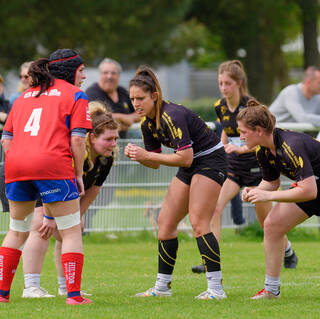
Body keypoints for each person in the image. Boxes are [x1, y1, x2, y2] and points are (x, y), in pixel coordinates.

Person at [125, 65, 228, 300]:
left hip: (211, 160)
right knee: (165, 223)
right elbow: (154, 162)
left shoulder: (171, 115)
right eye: (132, 99)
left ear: (154, 96)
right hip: (190, 165)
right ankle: (162, 287)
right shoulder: (147, 124)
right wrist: (138, 156)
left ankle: (216, 289)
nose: (136, 104)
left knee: (199, 222)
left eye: (140, 98)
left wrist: (147, 155)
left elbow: (185, 157)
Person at [0, 48, 92, 305]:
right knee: (71, 230)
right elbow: (77, 140)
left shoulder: (23, 97)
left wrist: (21, 161)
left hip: (16, 166)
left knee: (17, 230)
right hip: (52, 165)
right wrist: (77, 174)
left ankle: (2, 293)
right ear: (72, 70)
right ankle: (74, 296)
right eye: (82, 70)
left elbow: (6, 140)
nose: (84, 76)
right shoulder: (76, 95)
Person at [191, 60, 297, 274]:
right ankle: (210, 259)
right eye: (220, 83)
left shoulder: (252, 106)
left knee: (265, 220)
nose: (223, 87)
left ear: (239, 83)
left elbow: (264, 139)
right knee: (215, 207)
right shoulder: (219, 106)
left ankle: (288, 250)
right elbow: (226, 133)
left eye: (227, 83)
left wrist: (241, 150)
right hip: (233, 168)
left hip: (260, 170)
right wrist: (221, 147)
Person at [21, 101, 118, 298]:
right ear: (92, 137)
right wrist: (49, 217)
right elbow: (51, 187)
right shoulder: (71, 154)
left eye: (116, 138)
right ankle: (31, 287)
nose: (114, 144)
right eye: (109, 139)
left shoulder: (107, 158)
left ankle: (66, 286)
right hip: (38, 182)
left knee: (72, 229)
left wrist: (76, 218)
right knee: (40, 225)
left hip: (58, 189)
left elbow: (93, 191)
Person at [237, 99, 320, 299]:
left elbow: (309, 191)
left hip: (313, 187)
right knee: (272, 224)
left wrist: (267, 195)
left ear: (258, 130)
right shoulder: (263, 149)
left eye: (243, 132)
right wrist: (254, 190)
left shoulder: (291, 145)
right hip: (315, 186)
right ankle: (271, 290)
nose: (239, 137)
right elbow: (271, 182)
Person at [86, 58, 140, 138]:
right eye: (105, 72)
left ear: (119, 75)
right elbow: (96, 117)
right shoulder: (92, 93)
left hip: (124, 142)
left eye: (113, 73)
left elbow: (141, 112)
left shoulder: (123, 92)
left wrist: (129, 119)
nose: (109, 76)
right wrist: (123, 117)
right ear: (100, 74)